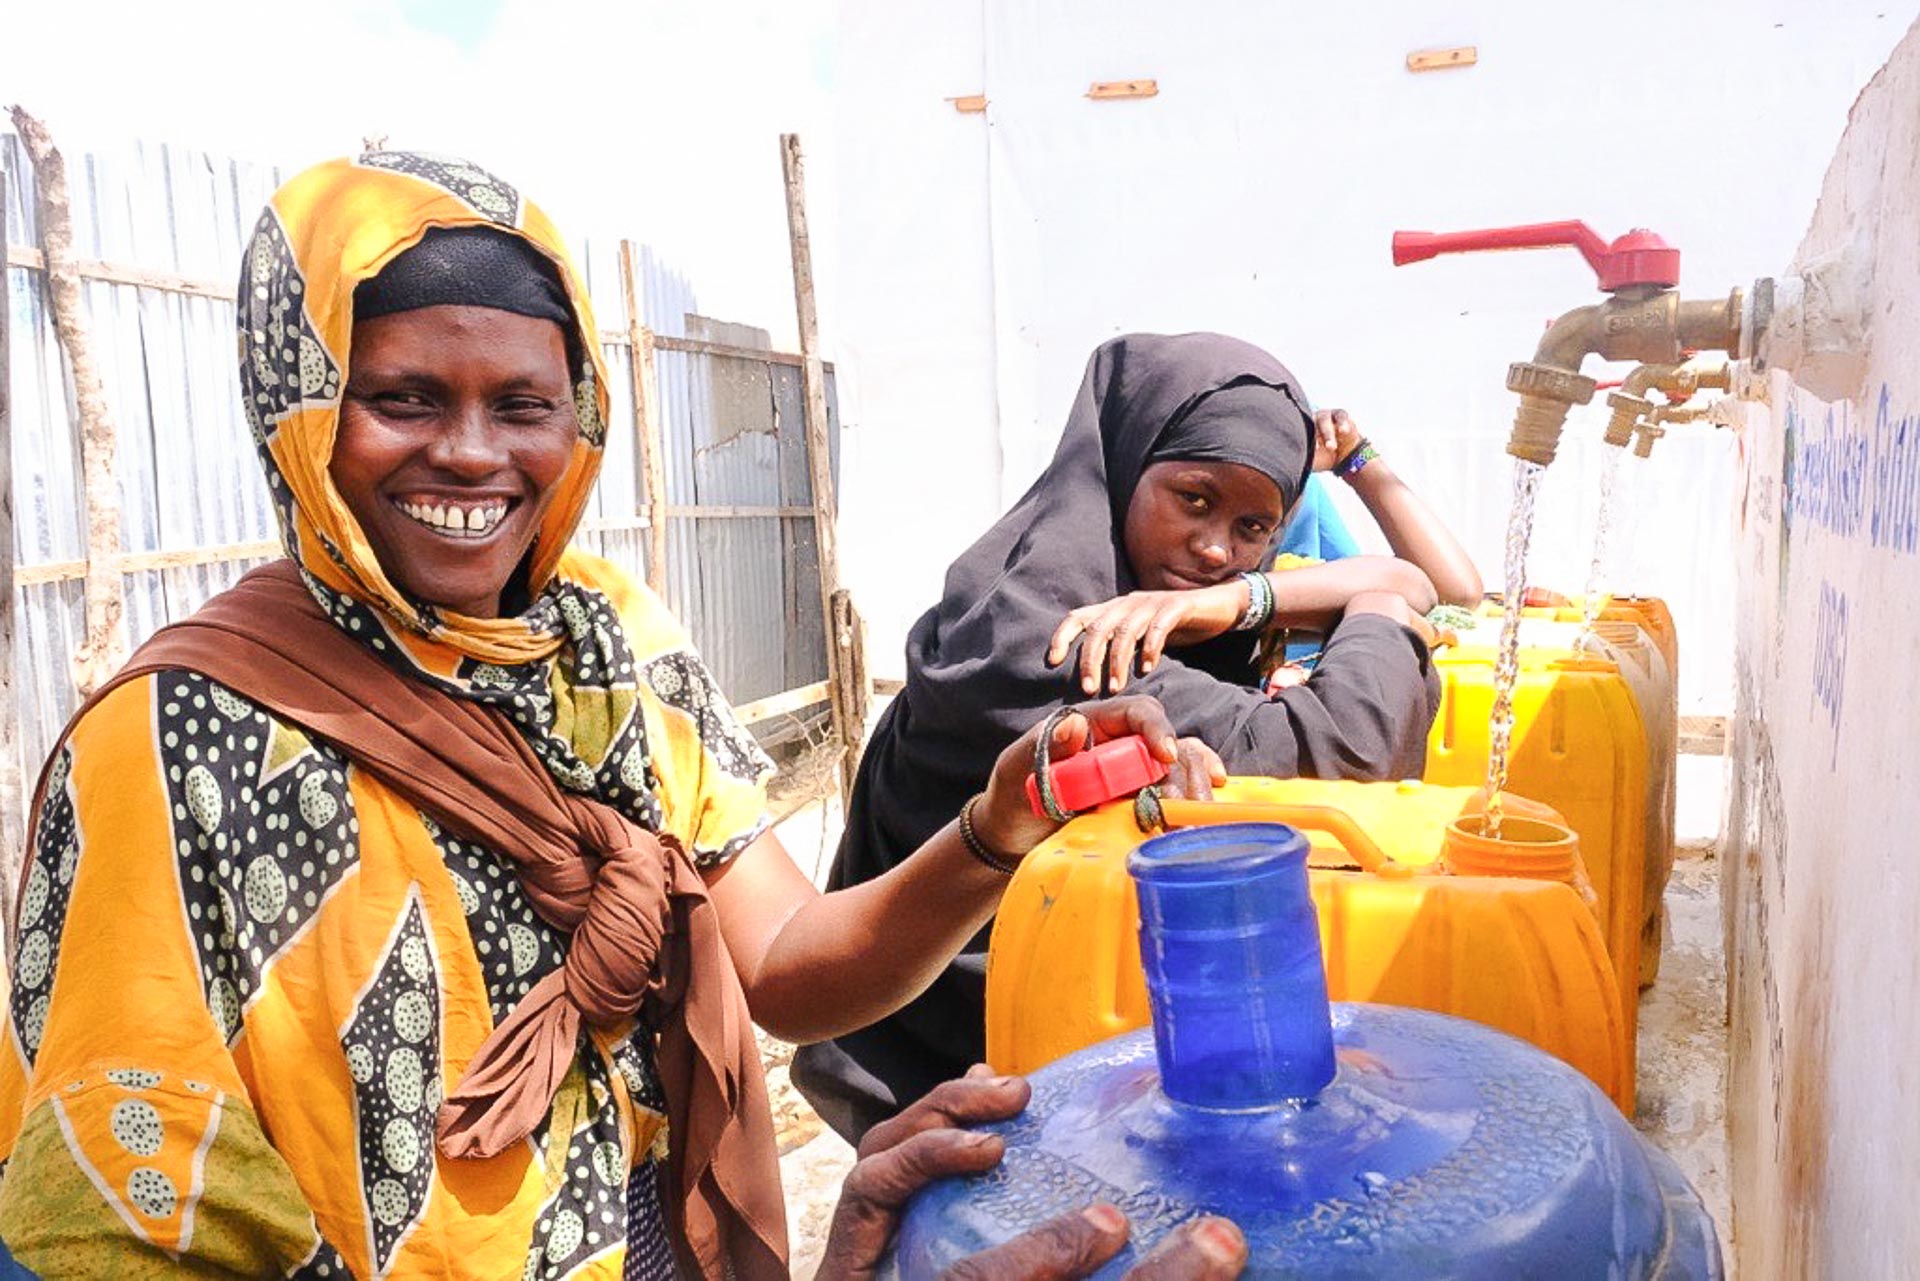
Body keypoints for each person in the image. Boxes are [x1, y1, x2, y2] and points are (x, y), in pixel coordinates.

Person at [0, 155, 1222, 1279]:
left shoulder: (609, 640)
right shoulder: (175, 741)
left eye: (524, 405)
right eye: (406, 399)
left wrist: (994, 831)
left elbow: (787, 974)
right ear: (301, 410)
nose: (474, 455)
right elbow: (121, 1215)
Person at [796, 332, 1452, 1142]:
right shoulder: (1059, 634)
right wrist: (1379, 619)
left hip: (1045, 1060)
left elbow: (1433, 582)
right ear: (1126, 459)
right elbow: (1347, 753)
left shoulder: (1139, 600)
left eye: (1255, 527)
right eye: (1194, 499)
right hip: (944, 1093)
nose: (1216, 549)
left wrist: (1231, 602)